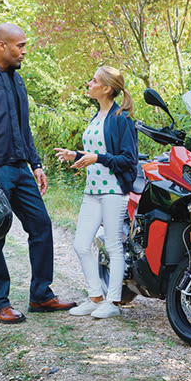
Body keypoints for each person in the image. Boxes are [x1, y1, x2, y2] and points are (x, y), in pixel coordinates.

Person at [0, 23, 76, 324]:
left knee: (41, 226)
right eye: (20, 45)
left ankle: (41, 294)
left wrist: (36, 164)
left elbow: (24, 128)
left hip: (21, 170)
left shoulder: (17, 80)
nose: (24, 51)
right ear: (1, 46)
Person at [53, 66, 138, 319]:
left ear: (107, 88)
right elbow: (96, 154)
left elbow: (128, 160)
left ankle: (111, 302)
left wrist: (96, 158)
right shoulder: (96, 117)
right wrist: (76, 155)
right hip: (92, 191)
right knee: (80, 245)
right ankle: (95, 298)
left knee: (113, 245)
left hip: (113, 192)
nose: (89, 84)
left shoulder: (121, 119)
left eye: (94, 80)